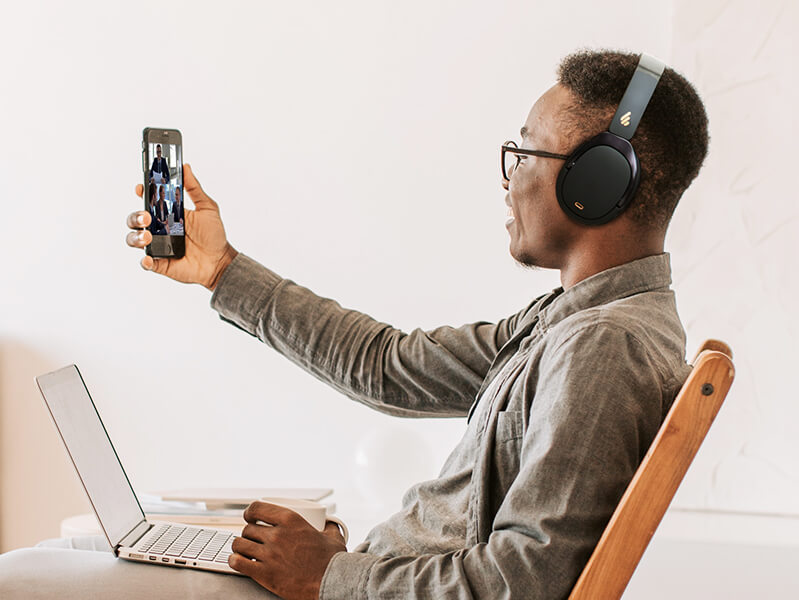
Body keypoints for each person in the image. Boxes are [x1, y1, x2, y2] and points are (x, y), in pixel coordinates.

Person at [0, 50, 709, 600]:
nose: (510, 175)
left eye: (526, 151)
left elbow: (521, 582)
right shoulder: (574, 321)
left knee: (19, 575)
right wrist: (222, 270)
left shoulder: (604, 346)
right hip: (356, 577)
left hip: (338, 591)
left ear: (600, 180)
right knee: (75, 552)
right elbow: (388, 366)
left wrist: (330, 576)